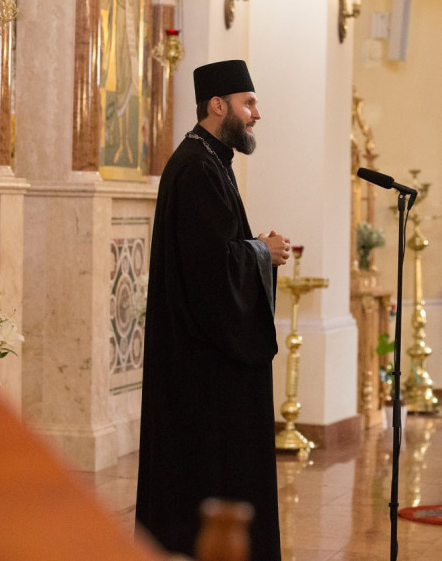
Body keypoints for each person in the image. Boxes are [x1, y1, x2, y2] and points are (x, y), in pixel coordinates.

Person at [136, 59, 290, 560]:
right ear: (218, 105)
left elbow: (215, 253)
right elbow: (209, 271)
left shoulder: (210, 161)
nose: (256, 114)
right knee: (211, 474)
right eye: (249, 104)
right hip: (204, 367)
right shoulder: (198, 168)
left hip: (202, 359)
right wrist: (262, 251)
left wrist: (254, 249)